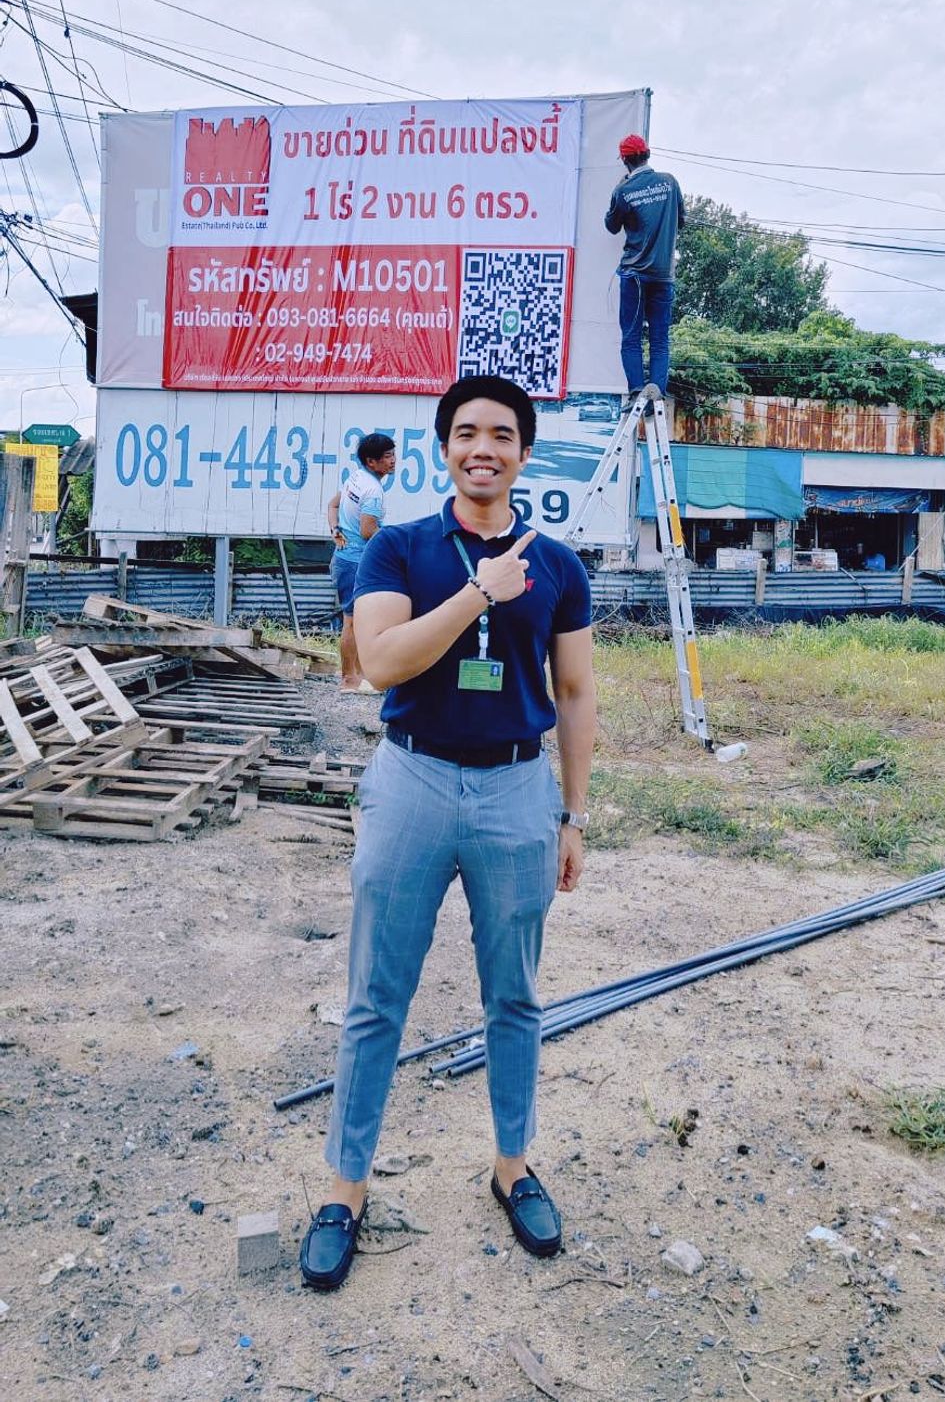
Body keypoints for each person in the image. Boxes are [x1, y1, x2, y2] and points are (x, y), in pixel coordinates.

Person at [300, 376, 596, 1291]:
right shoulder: (400, 546)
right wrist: (478, 591)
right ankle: (345, 1190)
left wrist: (574, 814)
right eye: (466, 432)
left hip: (518, 789)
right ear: (443, 447)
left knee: (515, 994)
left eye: (501, 435)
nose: (483, 448)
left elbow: (577, 692)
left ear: (523, 451)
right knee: (375, 996)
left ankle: (513, 1166)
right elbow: (381, 658)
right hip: (412, 779)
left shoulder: (559, 564)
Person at [604, 133, 685, 398]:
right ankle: (657, 393)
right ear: (647, 154)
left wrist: (618, 190)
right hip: (664, 275)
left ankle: (637, 391)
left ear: (626, 159)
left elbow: (612, 226)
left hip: (635, 274)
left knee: (631, 337)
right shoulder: (670, 183)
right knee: (660, 341)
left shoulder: (624, 191)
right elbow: (680, 221)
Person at [326, 433, 396, 693]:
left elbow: (332, 505)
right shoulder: (373, 490)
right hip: (357, 562)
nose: (393, 461)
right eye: (387, 457)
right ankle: (348, 679)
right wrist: (394, 541)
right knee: (353, 621)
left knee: (361, 620)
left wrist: (334, 529)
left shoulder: (355, 477)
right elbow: (368, 531)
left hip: (345, 558)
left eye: (392, 454)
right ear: (371, 461)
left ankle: (361, 674)